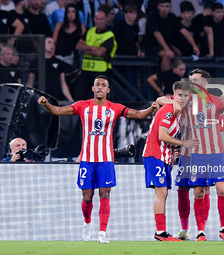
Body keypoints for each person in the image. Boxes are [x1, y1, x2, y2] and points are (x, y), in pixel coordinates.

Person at [37, 75, 159, 243]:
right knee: (87, 197)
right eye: (97, 85)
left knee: (104, 194)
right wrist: (46, 104)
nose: (100, 87)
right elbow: (58, 111)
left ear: (108, 90)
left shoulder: (114, 108)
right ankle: (87, 223)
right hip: (87, 159)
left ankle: (102, 233)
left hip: (106, 159)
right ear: (93, 89)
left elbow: (138, 114)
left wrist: (151, 109)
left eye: (103, 85)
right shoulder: (82, 106)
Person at [157, 68, 224, 241]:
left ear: (205, 83)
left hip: (216, 152)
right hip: (192, 153)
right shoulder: (185, 99)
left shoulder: (217, 101)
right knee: (198, 192)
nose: (191, 83)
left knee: (221, 189)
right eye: (190, 80)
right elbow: (160, 99)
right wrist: (173, 102)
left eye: (194, 80)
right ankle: (199, 231)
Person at [142, 80, 198, 241]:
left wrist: (173, 151)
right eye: (180, 95)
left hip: (163, 156)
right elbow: (162, 135)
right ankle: (160, 233)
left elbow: (168, 137)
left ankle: (162, 232)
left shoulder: (181, 112)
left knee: (163, 194)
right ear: (174, 95)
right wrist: (183, 144)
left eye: (186, 95)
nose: (182, 98)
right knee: (162, 193)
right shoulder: (169, 109)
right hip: (154, 155)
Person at [74, 9, 117, 100]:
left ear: (105, 20)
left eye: (101, 19)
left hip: (100, 71)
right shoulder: (90, 31)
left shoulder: (109, 35)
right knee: (79, 94)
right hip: (86, 70)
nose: (99, 21)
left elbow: (99, 52)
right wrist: (92, 48)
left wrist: (85, 49)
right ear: (94, 19)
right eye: (97, 19)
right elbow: (78, 46)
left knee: (96, 98)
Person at [145, 0, 199, 71]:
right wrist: (167, 49)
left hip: (168, 44)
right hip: (153, 45)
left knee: (179, 53)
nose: (164, 9)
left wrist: (194, 46)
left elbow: (184, 31)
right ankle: (166, 79)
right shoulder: (153, 17)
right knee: (167, 55)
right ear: (158, 7)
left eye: (167, 6)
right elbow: (157, 33)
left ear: (170, 7)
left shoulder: (172, 17)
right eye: (162, 6)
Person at [27, 37, 74, 102]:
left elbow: (63, 84)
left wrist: (71, 101)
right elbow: (30, 82)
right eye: (49, 42)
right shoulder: (35, 62)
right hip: (41, 99)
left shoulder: (59, 62)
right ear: (42, 44)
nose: (52, 45)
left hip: (56, 99)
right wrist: (27, 98)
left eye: (53, 43)